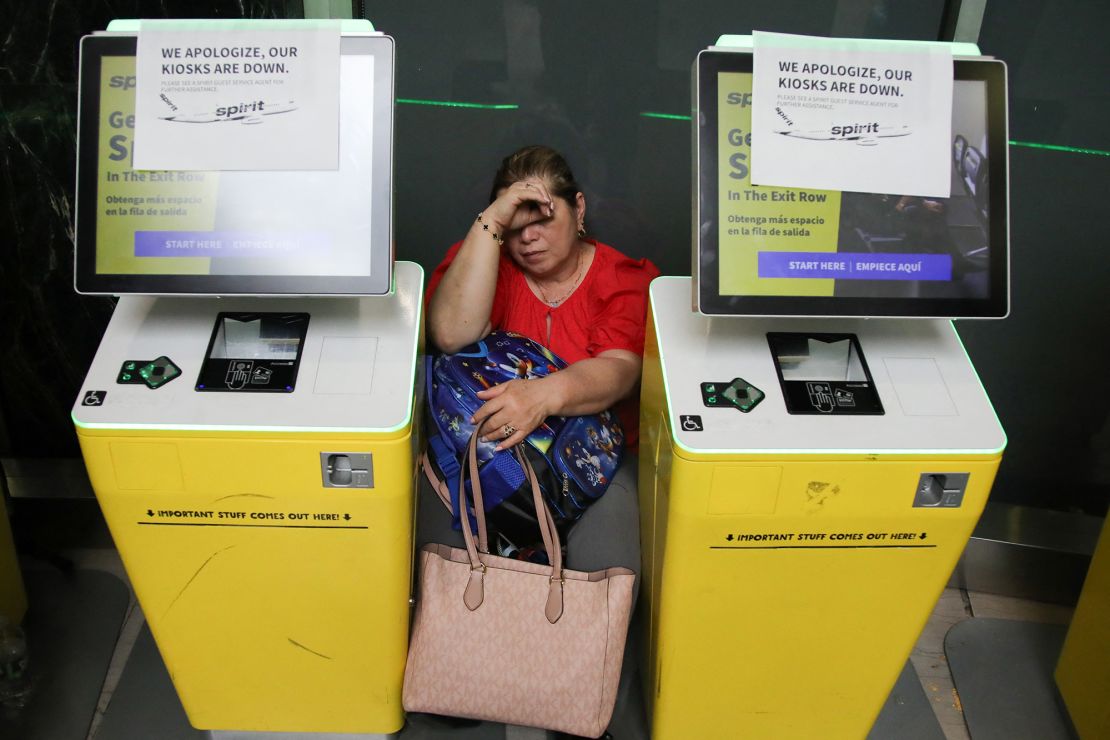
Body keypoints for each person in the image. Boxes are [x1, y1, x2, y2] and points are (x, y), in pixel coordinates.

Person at [417, 144, 658, 736]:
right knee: (443, 533)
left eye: (542, 217)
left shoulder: (622, 277)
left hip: (594, 459)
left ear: (579, 209)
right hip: (488, 454)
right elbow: (451, 333)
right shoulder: (486, 261)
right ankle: (464, 680)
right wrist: (490, 224)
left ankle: (580, 701)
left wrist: (544, 395)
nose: (528, 237)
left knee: (606, 551)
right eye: (514, 222)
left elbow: (622, 368)